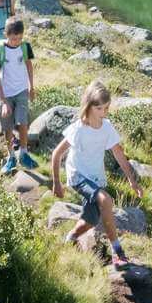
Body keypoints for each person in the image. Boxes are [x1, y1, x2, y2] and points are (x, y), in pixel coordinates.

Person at [50, 80, 143, 268]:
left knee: (91, 220)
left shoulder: (106, 127)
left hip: (96, 177)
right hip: (78, 175)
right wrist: (57, 183)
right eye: (99, 108)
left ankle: (71, 237)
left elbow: (119, 154)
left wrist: (132, 181)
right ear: (89, 106)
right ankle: (117, 251)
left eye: (106, 108)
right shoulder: (78, 129)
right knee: (106, 200)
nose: (104, 112)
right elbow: (56, 154)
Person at [0, 16, 37, 174]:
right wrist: (3, 101)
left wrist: (31, 86)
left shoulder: (25, 47)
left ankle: (24, 153)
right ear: (6, 35)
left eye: (20, 38)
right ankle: (11, 157)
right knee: (7, 127)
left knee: (23, 122)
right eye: (14, 38)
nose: (17, 41)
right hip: (5, 93)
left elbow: (29, 65)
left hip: (21, 90)